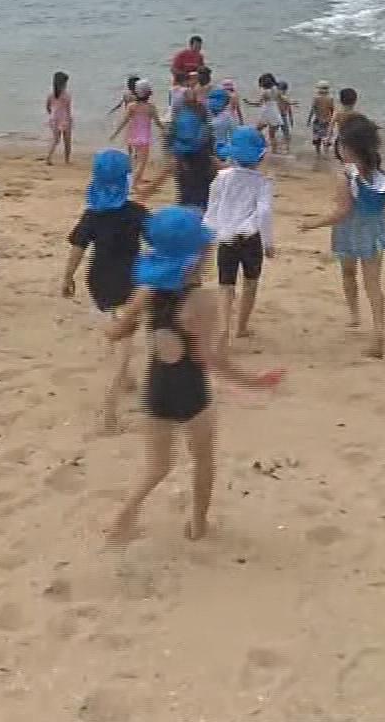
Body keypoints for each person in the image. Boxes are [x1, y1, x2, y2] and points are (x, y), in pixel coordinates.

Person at [104, 205, 283, 546]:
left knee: (157, 467)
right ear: (198, 254)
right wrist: (255, 381)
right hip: (191, 393)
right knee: (203, 460)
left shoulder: (148, 291)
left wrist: (113, 332)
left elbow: (119, 328)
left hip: (156, 389)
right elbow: (210, 359)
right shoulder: (202, 302)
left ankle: (123, 517)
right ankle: (199, 523)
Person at [62, 149, 149, 434]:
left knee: (114, 331)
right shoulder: (136, 213)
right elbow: (158, 238)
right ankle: (110, 413)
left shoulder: (92, 215)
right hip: (130, 284)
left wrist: (67, 277)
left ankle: (126, 380)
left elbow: (78, 248)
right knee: (126, 347)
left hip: (97, 282)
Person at [304, 114, 385, 358]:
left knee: (348, 274)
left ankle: (354, 314)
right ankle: (378, 333)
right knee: (373, 284)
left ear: (346, 148)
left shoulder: (346, 176)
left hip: (349, 233)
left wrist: (313, 223)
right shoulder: (378, 172)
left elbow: (341, 213)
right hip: (375, 231)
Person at [205, 127, 275, 344]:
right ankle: (241, 327)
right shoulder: (263, 182)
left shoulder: (221, 178)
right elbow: (264, 212)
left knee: (226, 285)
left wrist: (209, 233)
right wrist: (268, 242)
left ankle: (224, 328)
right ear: (261, 156)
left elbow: (212, 209)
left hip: (226, 237)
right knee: (250, 283)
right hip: (250, 238)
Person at [139, 85, 216, 210]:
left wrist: (144, 194)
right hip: (204, 210)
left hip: (185, 209)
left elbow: (154, 185)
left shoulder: (178, 163)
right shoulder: (210, 162)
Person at [108, 78, 158, 186]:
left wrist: (115, 134)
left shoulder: (132, 106)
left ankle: (134, 181)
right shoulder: (151, 107)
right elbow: (158, 123)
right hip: (145, 138)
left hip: (133, 136)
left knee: (136, 159)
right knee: (142, 162)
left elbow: (124, 121)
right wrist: (167, 131)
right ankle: (133, 183)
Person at [45, 71, 74, 166]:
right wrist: (70, 120)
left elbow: (48, 107)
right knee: (67, 141)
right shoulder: (66, 95)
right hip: (64, 120)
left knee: (55, 140)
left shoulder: (51, 95)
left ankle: (49, 157)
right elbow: (68, 109)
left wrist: (51, 115)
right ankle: (67, 160)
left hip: (54, 119)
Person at [308, 80, 336, 165]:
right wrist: (333, 120)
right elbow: (332, 110)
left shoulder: (316, 98)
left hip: (317, 120)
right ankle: (326, 154)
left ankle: (318, 153)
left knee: (317, 138)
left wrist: (309, 120)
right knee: (326, 138)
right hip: (327, 121)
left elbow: (312, 110)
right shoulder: (330, 98)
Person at [331, 87, 361, 162]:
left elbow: (331, 126)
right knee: (351, 158)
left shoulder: (337, 113)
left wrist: (327, 138)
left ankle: (346, 170)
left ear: (340, 100)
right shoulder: (356, 114)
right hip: (351, 140)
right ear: (355, 101)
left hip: (340, 140)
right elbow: (361, 128)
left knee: (343, 158)